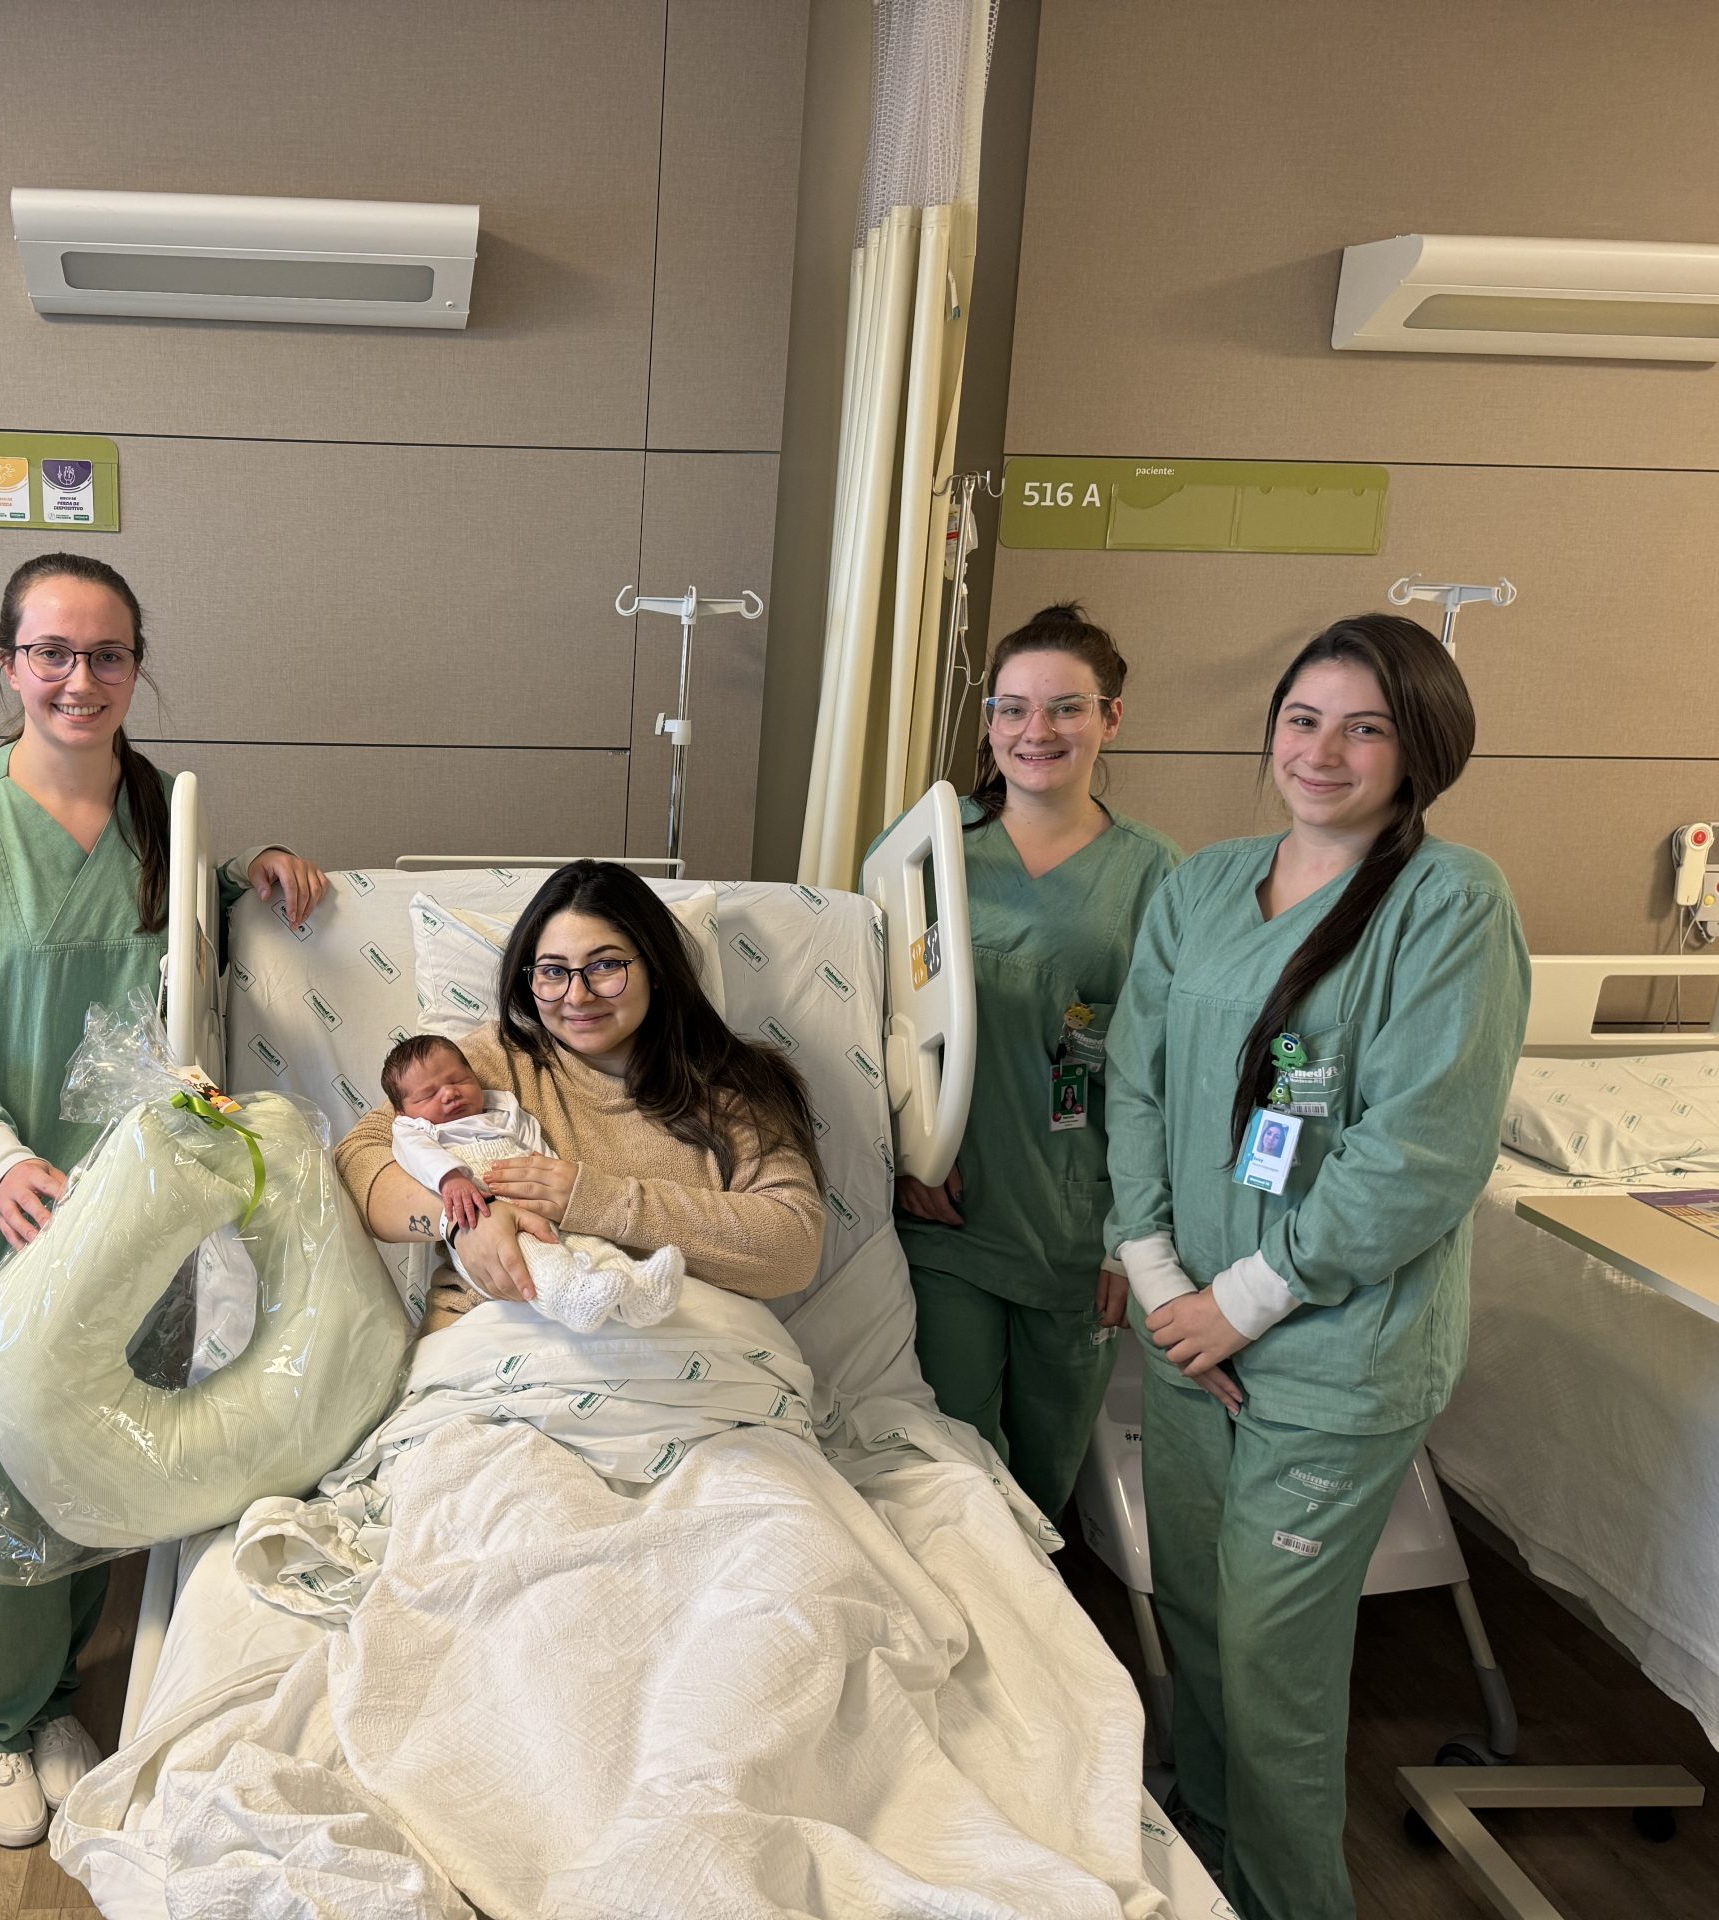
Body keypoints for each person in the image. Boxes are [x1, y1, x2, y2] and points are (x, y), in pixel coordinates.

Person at [0, 552, 326, 1849]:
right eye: (50, 653)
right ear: (8, 664)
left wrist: (261, 876)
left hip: (142, 1225)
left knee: (106, 1458)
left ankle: (60, 1696)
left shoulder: (162, 823)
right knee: (1, 1484)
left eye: (105, 654)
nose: (77, 678)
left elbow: (191, 955)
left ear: (136, 666)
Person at [1104, 613, 1530, 1920]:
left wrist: (1241, 1305)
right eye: (1303, 719)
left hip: (1330, 1353)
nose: (1324, 751)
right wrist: (1161, 1275)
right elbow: (1133, 1079)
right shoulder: (1202, 885)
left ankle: (1291, 1900)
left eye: (1366, 727)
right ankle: (1217, 1865)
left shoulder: (1449, 907)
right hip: (1183, 1332)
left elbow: (1417, 1156)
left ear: (1422, 751)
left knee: (1277, 1670)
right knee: (1207, 1636)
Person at [889, 604, 1180, 1519]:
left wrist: (1132, 1242)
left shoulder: (1161, 878)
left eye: (1065, 708)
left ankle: (1036, 1635)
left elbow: (1166, 1074)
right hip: (950, 1205)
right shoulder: (929, 855)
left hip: (1076, 1216)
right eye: (1011, 708)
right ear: (989, 721)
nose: (1035, 731)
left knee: (1047, 1455)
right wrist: (909, 1152)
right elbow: (879, 1023)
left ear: (1111, 719)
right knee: (952, 1448)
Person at [336, 861, 824, 1336]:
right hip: (493, 1356)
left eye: (605, 965)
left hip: (686, 1354)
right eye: (552, 971)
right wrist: (462, 1221)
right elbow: (358, 1159)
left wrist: (596, 1200)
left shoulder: (730, 1092)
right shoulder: (490, 1062)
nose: (577, 996)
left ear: (655, 967)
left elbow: (793, 1248)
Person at [378, 1031, 685, 1332]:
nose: (450, 1093)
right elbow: (417, 1154)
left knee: (588, 1243)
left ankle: (638, 1291)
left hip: (539, 1203)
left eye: (459, 1080)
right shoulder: (414, 1130)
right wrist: (450, 1179)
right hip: (486, 1219)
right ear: (403, 1111)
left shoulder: (501, 1108)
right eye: (429, 1095)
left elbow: (533, 1142)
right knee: (534, 1256)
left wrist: (548, 1171)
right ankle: (568, 1298)